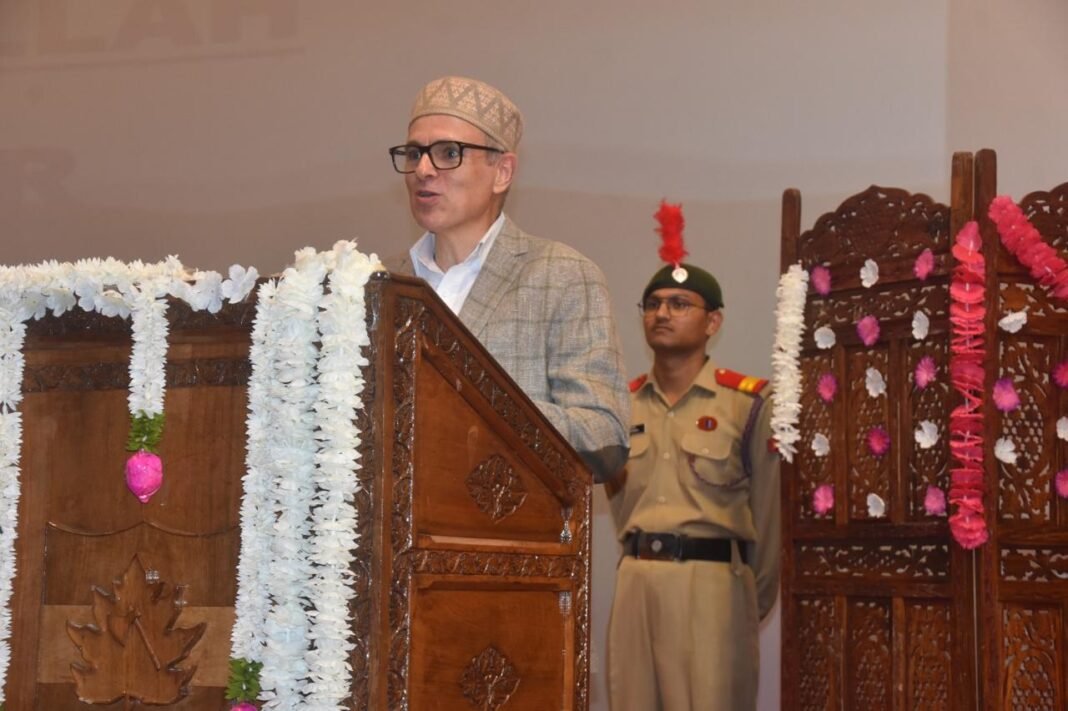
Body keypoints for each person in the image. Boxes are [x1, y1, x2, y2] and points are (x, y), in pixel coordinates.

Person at [385, 76, 629, 481]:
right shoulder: (381, 283)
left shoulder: (561, 276)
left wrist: (475, 405)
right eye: (414, 153)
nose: (423, 170)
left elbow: (604, 437)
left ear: (502, 172)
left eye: (448, 152)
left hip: (506, 531)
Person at [605, 204, 780, 710]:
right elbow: (619, 501)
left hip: (713, 590)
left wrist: (747, 596)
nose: (662, 313)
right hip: (636, 581)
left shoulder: (746, 402)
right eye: (653, 303)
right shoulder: (622, 403)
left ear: (713, 321)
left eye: (680, 303)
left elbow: (769, 516)